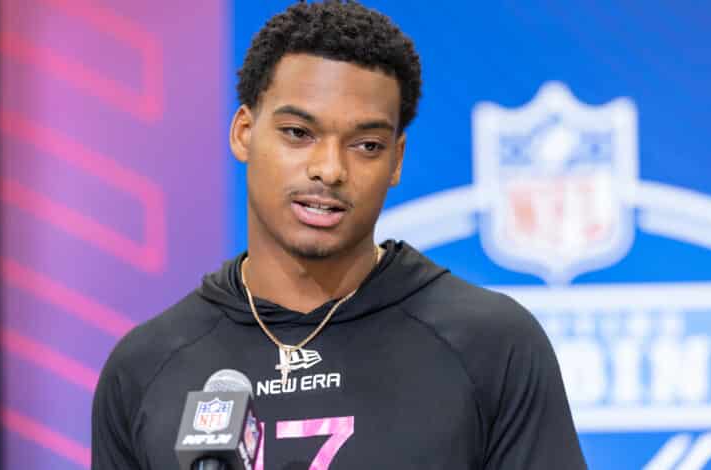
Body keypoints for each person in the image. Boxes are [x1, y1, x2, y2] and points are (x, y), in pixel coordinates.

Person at [91, 1, 587, 469]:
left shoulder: (492, 344)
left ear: (396, 160)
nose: (328, 169)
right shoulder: (145, 366)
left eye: (366, 145)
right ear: (244, 132)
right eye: (298, 133)